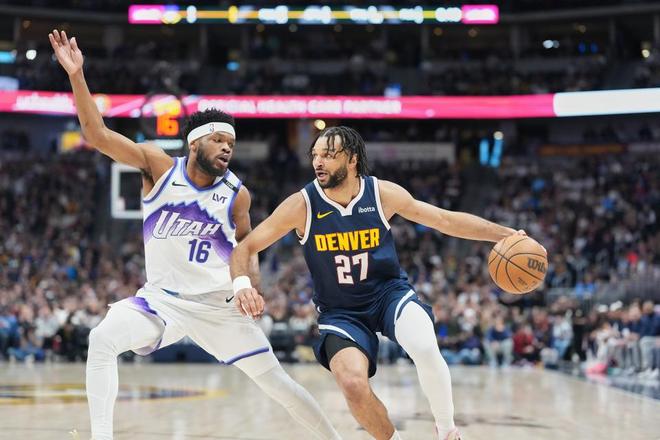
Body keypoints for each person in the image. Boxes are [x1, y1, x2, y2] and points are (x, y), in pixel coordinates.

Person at [49, 30, 341, 440]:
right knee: (101, 339)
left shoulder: (237, 194)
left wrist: (251, 287)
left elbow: (248, 246)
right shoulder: (158, 167)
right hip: (162, 302)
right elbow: (97, 136)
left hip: (219, 306)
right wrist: (77, 75)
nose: (227, 148)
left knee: (278, 385)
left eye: (231, 143)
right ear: (195, 143)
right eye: (219, 140)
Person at [230, 126, 531, 440]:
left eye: (328, 155)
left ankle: (447, 431)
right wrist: (242, 285)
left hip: (388, 295)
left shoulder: (381, 193)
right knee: (352, 385)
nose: (318, 162)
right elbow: (244, 248)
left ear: (352, 160)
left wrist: (505, 234)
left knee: (424, 345)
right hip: (341, 311)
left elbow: (444, 220)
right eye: (315, 155)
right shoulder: (302, 204)